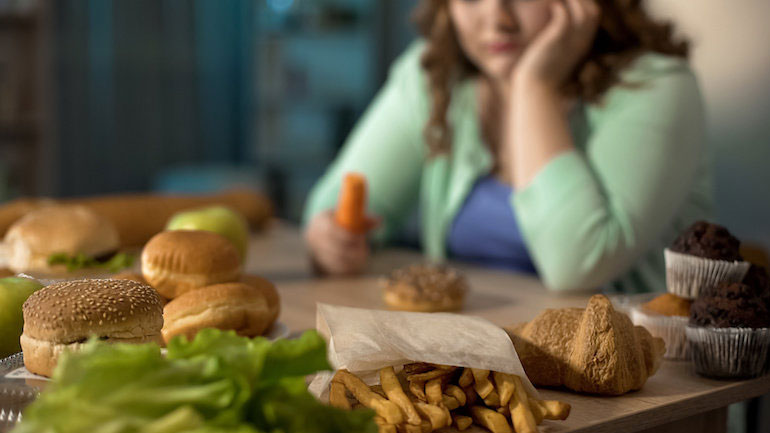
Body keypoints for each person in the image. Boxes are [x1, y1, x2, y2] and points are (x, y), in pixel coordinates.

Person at [303, 0, 710, 293]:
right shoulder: (434, 75)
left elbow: (578, 264)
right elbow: (334, 204)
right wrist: (332, 237)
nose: (497, 18)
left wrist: (534, 86)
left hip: (636, 386)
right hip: (474, 360)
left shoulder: (657, 87)